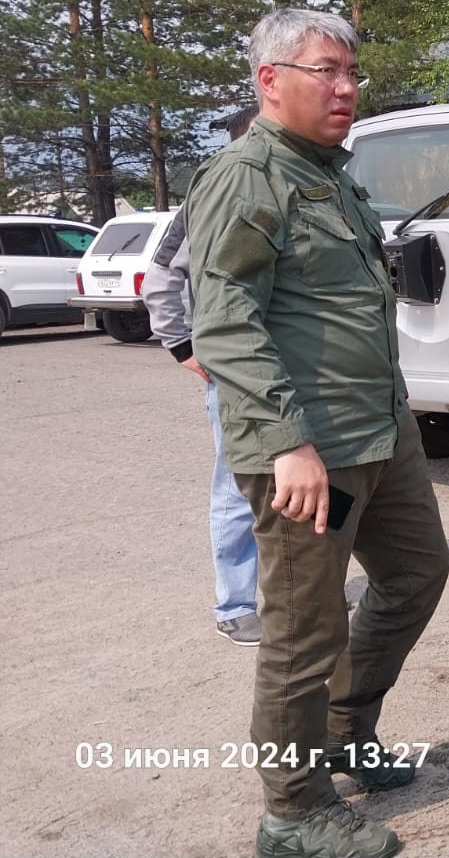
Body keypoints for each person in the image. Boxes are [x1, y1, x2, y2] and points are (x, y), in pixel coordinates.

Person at [188, 8, 449, 858]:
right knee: (305, 632)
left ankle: (345, 729)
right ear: (270, 81)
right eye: (325, 72)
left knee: (417, 573)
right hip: (312, 452)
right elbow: (226, 322)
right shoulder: (246, 176)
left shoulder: (331, 175)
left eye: (351, 74)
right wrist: (288, 444)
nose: (346, 89)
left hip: (379, 431)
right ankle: (293, 810)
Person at [143, 111, 261, 646]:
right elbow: (161, 277)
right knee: (238, 486)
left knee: (321, 481)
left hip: (305, 371)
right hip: (234, 373)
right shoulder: (209, 197)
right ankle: (235, 602)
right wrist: (181, 344)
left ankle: (311, 584)